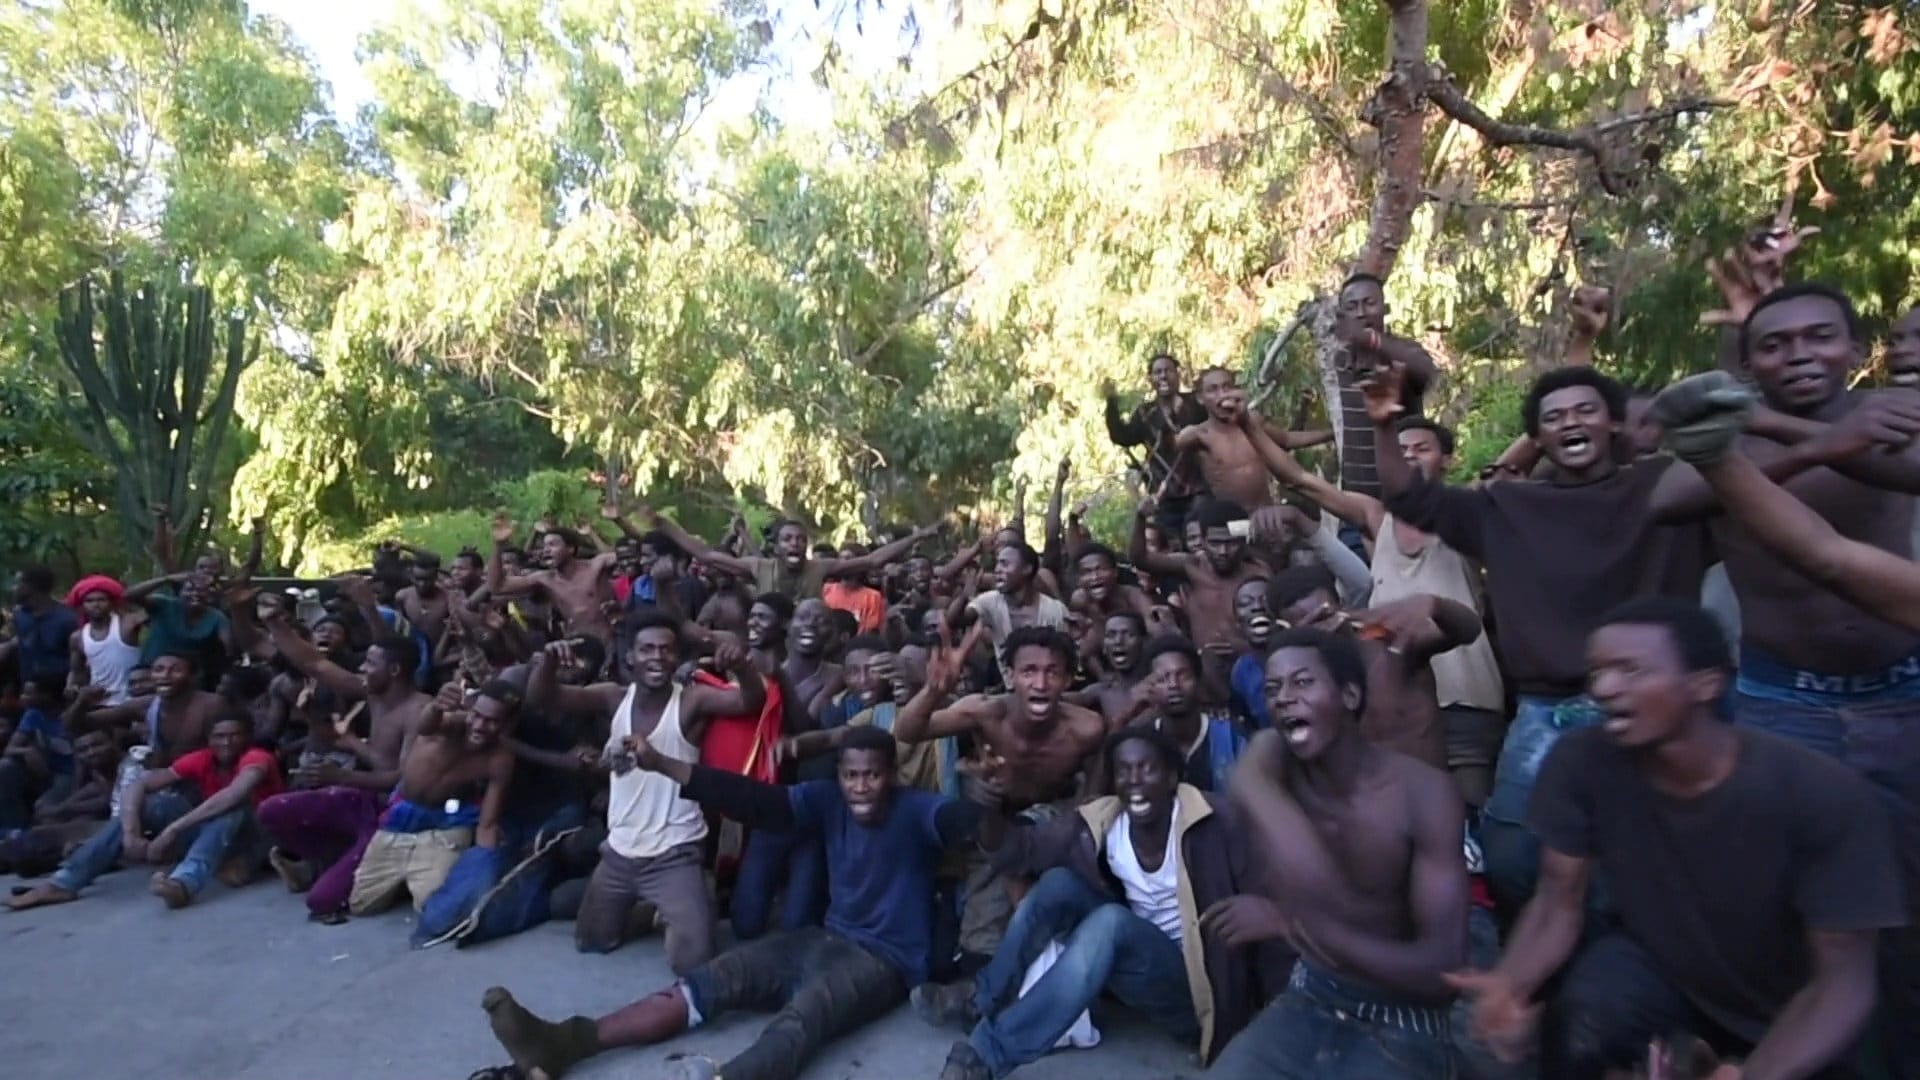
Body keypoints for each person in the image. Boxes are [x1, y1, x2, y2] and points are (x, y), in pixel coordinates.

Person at [1449, 599, 1905, 1079]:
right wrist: (1511, 985)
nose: (1604, 688)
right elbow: (1557, 902)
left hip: (1802, 997)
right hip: (1670, 967)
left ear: (1705, 684)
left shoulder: (1818, 793)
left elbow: (1843, 983)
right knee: (1584, 1020)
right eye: (1597, 670)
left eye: (1631, 670)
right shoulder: (1582, 761)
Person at [1365, 360, 1708, 913]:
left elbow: (1734, 451)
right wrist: (1384, 424)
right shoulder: (1508, 506)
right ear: (1539, 437)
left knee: (1668, 850)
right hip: (1547, 709)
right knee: (1511, 855)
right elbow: (1411, 500)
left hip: (1663, 703)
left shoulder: (1664, 487)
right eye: (1554, 416)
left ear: (1614, 424)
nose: (1571, 422)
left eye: (1585, 410)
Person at [473, 724, 981, 1080]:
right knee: (712, 979)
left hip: (885, 960)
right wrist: (662, 763)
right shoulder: (827, 798)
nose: (861, 786)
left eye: (873, 775)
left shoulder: (918, 810)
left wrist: (990, 807)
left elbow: (965, 825)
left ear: (891, 775)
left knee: (804, 1019)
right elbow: (750, 798)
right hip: (822, 937)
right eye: (852, 775)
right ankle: (566, 1043)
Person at [916, 728, 1267, 1079]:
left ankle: (987, 1056)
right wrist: (987, 810)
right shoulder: (1102, 821)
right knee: (1058, 885)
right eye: (1124, 771)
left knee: (1112, 922)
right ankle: (981, 999)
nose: (1135, 781)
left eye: (1147, 769)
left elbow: (1267, 894)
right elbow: (1019, 851)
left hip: (1196, 992)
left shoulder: (1213, 822)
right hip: (1140, 967)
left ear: (1173, 776)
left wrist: (1264, 1011)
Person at [1209, 627, 1467, 1079]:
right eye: (1272, 689)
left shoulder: (1424, 793)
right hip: (1311, 993)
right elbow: (1246, 780)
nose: (1284, 698)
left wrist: (1297, 926)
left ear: (1349, 696)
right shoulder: (1271, 755)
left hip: (1403, 1018)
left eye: (1302, 682)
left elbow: (1442, 972)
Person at [1261, 415, 1508, 805]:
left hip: (1466, 695)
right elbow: (1298, 479)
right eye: (1401, 449)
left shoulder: (1467, 514)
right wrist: (1244, 423)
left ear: (1447, 460)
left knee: (1470, 822)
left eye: (1421, 449)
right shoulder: (1377, 519)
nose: (1408, 457)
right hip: (1395, 697)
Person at [529, 615, 763, 971]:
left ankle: (692, 896)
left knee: (692, 961)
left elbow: (750, 702)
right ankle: (651, 910)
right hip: (620, 851)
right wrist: (547, 662)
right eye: (647, 649)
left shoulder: (691, 701)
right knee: (592, 942)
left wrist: (743, 666)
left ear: (677, 658)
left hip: (676, 852)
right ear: (630, 658)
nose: (657, 656)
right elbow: (544, 697)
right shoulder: (613, 698)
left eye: (666, 650)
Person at [9, 713, 282, 911]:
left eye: (235, 735)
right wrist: (131, 832)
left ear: (247, 738)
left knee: (229, 809)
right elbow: (141, 783)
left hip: (257, 837)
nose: (227, 742)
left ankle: (183, 883)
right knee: (155, 804)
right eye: (219, 736)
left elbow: (233, 794)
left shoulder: (257, 757)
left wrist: (173, 830)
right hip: (218, 835)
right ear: (209, 739)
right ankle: (65, 882)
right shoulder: (203, 758)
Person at [257, 616, 433, 920]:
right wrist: (276, 624)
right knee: (271, 810)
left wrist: (343, 775)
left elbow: (404, 780)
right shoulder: (373, 692)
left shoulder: (421, 710)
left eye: (370, 662)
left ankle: (373, 868)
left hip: (394, 818)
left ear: (394, 671)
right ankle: (326, 862)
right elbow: (317, 666)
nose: (362, 668)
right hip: (362, 800)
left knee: (322, 902)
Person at [1266, 564, 1481, 773]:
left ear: (1341, 606)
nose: (1323, 630)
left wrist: (1435, 605)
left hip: (1431, 798)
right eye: (1309, 627)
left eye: (1324, 616)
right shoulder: (1297, 690)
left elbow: (1469, 630)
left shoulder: (1392, 642)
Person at [346, 680, 519, 916]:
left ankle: (421, 871)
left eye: (491, 721)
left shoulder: (500, 760)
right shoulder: (452, 724)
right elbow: (426, 726)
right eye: (476, 715)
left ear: (507, 725)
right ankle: (406, 874)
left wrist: (482, 869)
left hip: (445, 827)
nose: (479, 725)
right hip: (401, 816)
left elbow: (487, 824)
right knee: (360, 904)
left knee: (434, 907)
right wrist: (437, 706)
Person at [643, 508, 936, 601]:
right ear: (778, 546)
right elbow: (708, 556)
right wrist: (666, 527)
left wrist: (916, 537)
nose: (794, 544)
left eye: (800, 539)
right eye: (787, 539)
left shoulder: (822, 568)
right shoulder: (758, 567)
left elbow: (873, 560)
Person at [1328, 272, 1438, 502]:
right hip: (1356, 498)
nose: (1361, 313)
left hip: (1404, 495)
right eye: (1352, 306)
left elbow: (1426, 372)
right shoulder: (1340, 360)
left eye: (1370, 304)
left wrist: (1372, 341)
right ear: (1342, 315)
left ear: (1385, 309)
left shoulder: (1403, 351)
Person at [1104, 352, 1208, 537]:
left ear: (1178, 374)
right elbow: (1122, 437)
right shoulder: (1145, 413)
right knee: (1171, 545)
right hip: (1164, 496)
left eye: (1168, 370)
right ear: (1150, 379)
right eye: (1157, 372)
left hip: (1199, 491)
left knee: (1200, 539)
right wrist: (1111, 403)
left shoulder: (1195, 404)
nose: (1163, 376)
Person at [1135, 635, 1251, 793]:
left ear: (1199, 682)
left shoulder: (1232, 736)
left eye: (1183, 676)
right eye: (1162, 678)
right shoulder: (1141, 741)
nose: (1173, 685)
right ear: (1150, 687)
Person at [66, 650, 222, 767]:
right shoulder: (146, 705)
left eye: (176, 670)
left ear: (193, 676)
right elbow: (76, 724)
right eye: (159, 670)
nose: (165, 675)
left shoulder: (212, 705)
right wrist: (82, 701)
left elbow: (224, 753)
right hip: (161, 777)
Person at [950, 541, 1069, 686]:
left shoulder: (1055, 611)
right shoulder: (990, 601)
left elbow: (1067, 661)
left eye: (1005, 564)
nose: (997, 570)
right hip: (1011, 692)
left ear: (1027, 569)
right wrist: (964, 596)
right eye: (997, 564)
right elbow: (955, 621)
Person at [487, 515, 620, 645]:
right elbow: (497, 586)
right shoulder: (545, 579)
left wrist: (616, 521)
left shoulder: (597, 566)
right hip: (578, 646)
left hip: (612, 642)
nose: (546, 550)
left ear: (570, 548)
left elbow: (631, 552)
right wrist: (499, 546)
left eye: (552, 545)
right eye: (545, 546)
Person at [64, 575, 144, 705]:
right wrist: (71, 686)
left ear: (112, 602)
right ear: (82, 605)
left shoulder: (127, 624)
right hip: (100, 702)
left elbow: (150, 610)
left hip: (131, 701)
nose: (96, 605)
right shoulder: (77, 637)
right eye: (89, 601)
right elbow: (76, 671)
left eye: (101, 600)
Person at [2, 566, 80, 684]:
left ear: (31, 587)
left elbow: (78, 661)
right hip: (26, 693)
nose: (14, 588)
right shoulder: (20, 616)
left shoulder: (68, 619)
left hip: (58, 694)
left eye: (18, 583)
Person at [822, 545, 888, 632]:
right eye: (840, 558)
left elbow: (869, 630)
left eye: (848, 559)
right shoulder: (826, 589)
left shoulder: (873, 597)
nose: (843, 563)